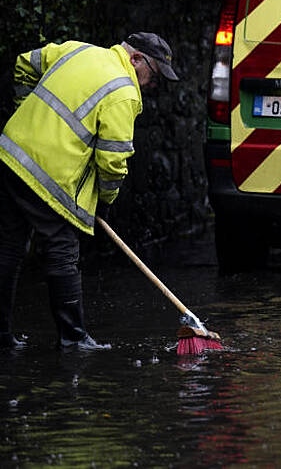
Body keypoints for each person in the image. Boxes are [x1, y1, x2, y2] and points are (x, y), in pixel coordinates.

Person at [0, 32, 179, 350]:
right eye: (152, 75)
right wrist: (106, 201)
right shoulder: (124, 92)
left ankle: (2, 336)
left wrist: (23, 112)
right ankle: (74, 339)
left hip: (10, 154)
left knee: (9, 250)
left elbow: (23, 65)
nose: (151, 85)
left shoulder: (76, 50)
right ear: (136, 59)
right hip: (47, 178)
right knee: (62, 254)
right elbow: (112, 161)